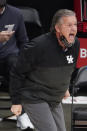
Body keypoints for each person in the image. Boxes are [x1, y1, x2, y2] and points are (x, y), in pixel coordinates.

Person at [10, 9, 80, 131]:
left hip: (54, 97)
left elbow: (69, 68)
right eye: (69, 25)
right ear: (57, 28)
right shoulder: (38, 46)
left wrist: (65, 88)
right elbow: (17, 73)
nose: (73, 28)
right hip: (35, 97)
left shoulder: (75, 44)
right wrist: (16, 101)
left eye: (75, 24)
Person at [0, 0, 34, 130]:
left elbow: (23, 41)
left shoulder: (16, 14)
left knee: (16, 65)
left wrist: (27, 60)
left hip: (10, 57)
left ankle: (21, 114)